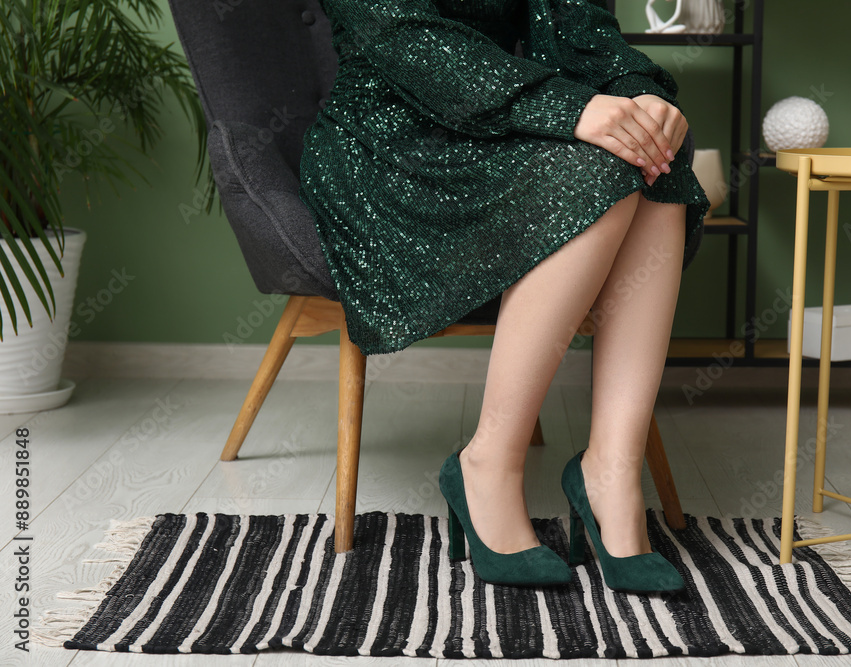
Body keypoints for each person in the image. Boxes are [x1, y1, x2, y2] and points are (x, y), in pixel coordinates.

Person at [298, 0, 709, 592]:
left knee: (657, 164)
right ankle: (485, 465)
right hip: (388, 144)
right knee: (597, 172)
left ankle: (611, 473)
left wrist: (643, 97)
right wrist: (575, 108)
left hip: (498, 128)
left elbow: (580, 26)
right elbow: (402, 36)